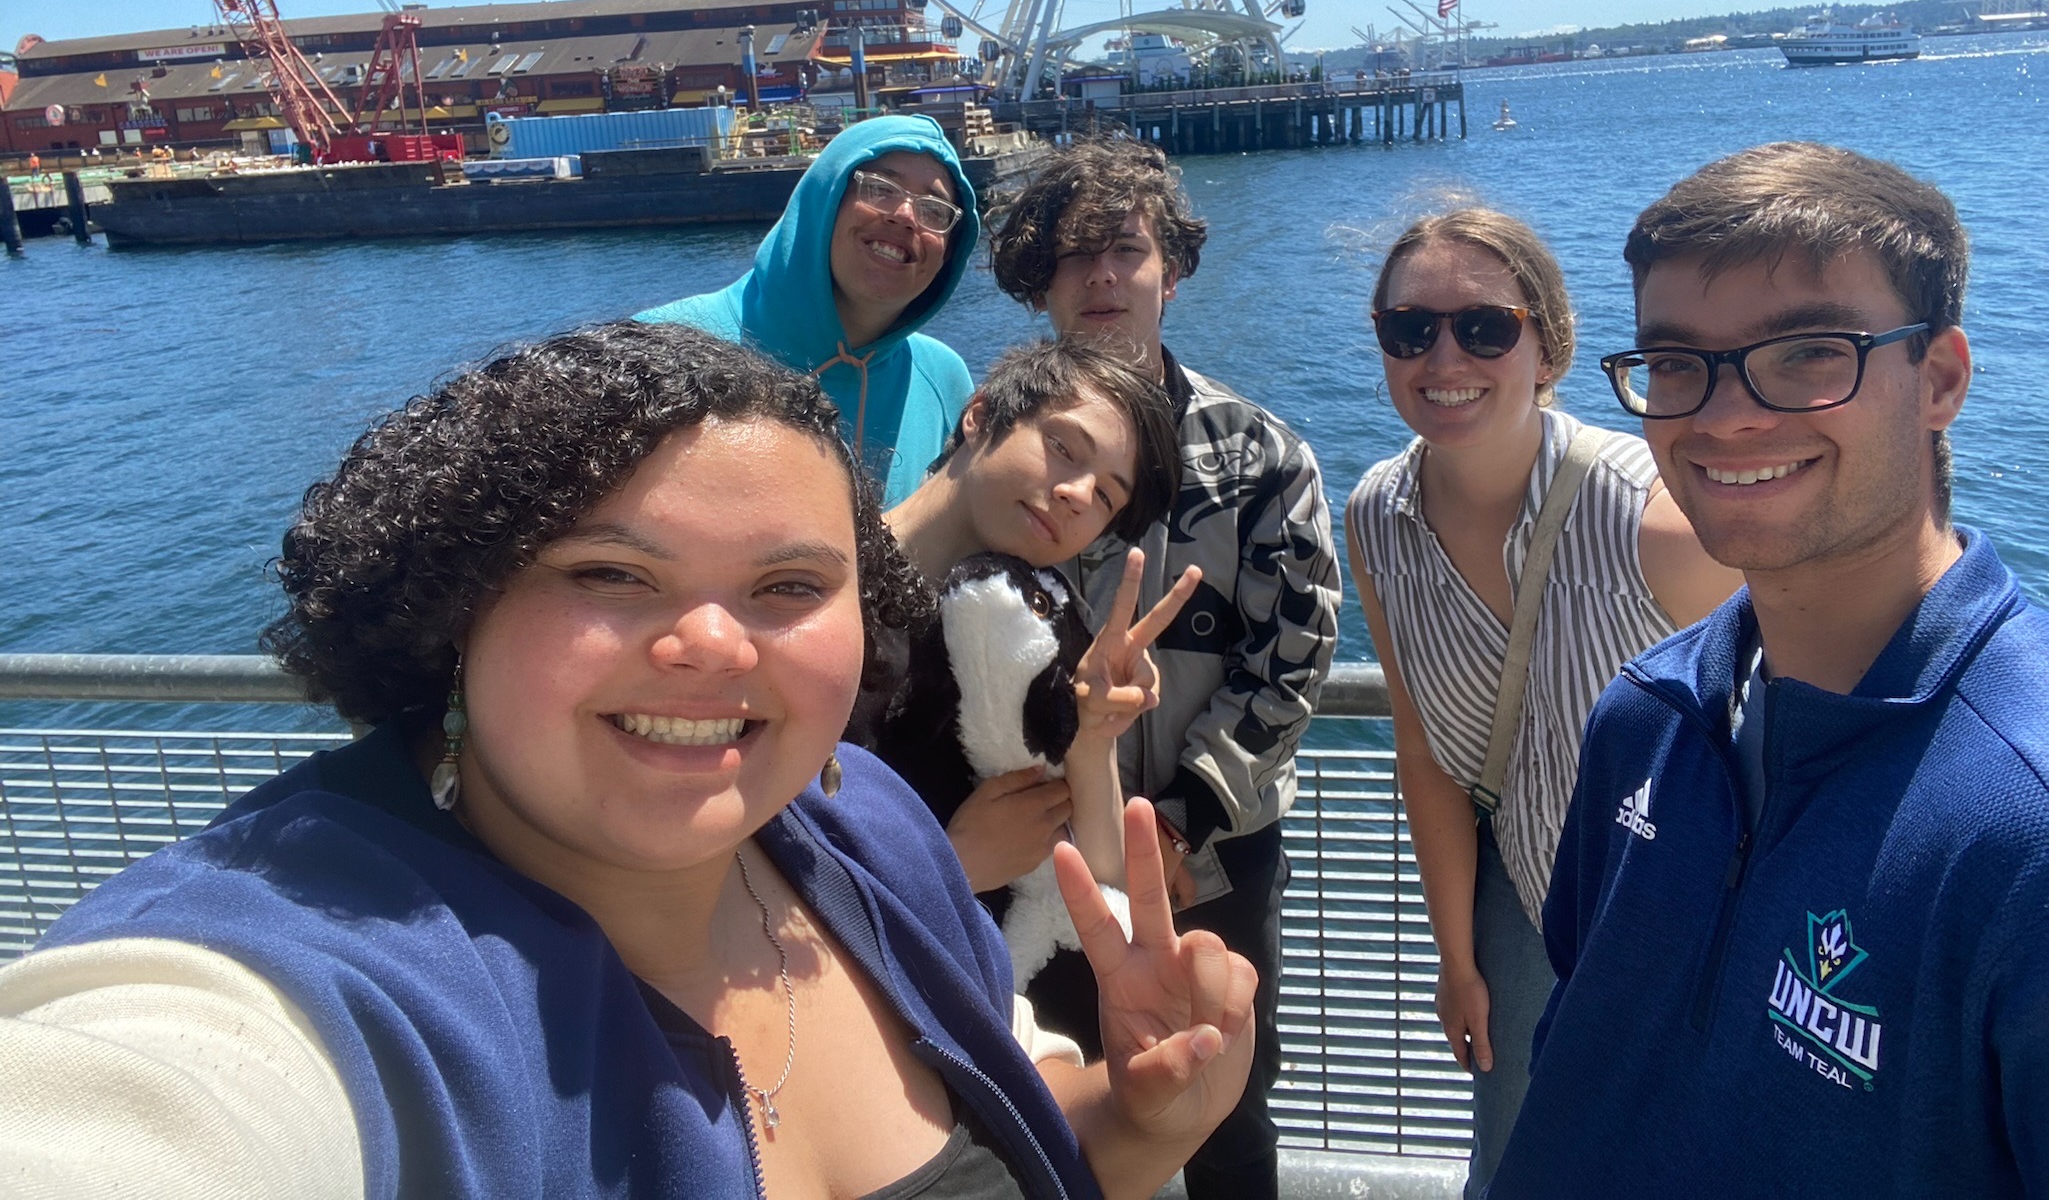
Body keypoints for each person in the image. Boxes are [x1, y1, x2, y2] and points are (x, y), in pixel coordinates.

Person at [0, 323, 1259, 1200]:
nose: (713, 642)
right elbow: (142, 1111)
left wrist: (1143, 1114)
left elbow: (1037, 1133)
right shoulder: (310, 984)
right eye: (610, 573)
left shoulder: (867, 828)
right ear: (453, 611)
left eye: (788, 585)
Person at [1490, 144, 2049, 1197]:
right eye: (1675, 362)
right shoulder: (1644, 713)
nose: (1722, 415)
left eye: (1806, 353)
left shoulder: (2022, 825)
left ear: (1940, 379)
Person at [1343, 207, 1738, 1196]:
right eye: (1410, 328)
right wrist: (1456, 959)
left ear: (1548, 346)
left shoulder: (1654, 522)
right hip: (1522, 901)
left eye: (1485, 327)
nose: (1444, 357)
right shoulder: (1377, 517)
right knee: (1514, 1163)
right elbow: (1425, 753)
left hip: (1674, 910)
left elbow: (1781, 731)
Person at [988, 138, 1340, 1200]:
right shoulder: (989, 452)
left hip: (1216, 851)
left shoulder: (1259, 453)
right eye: (1074, 253)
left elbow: (1293, 656)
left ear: (1170, 272)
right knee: (1048, 1091)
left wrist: (1182, 819)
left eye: (1126, 250)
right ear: (1040, 281)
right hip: (1039, 849)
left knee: (1226, 1096)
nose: (1101, 275)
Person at [872, 337, 1193, 1043]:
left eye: (1106, 496)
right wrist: (955, 866)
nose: (1077, 494)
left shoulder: (1036, 620)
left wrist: (1092, 735)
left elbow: (1101, 875)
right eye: (1063, 447)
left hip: (983, 1018)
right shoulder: (821, 594)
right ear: (979, 416)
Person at [637, 113, 979, 504]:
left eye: (934, 210)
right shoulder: (660, 349)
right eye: (880, 188)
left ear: (949, 252)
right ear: (824, 199)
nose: (904, 216)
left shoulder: (944, 381)